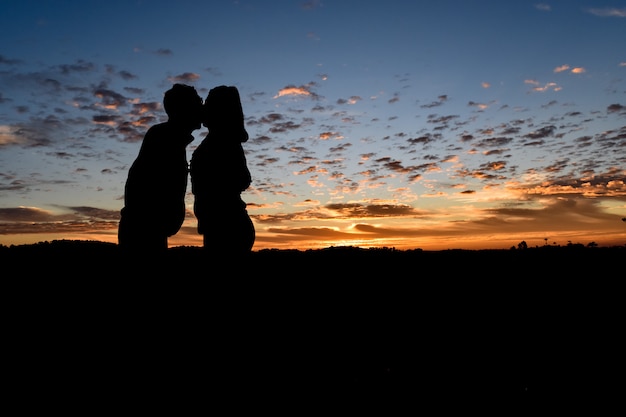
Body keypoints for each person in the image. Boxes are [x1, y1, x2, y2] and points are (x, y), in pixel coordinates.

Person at [118, 83, 203, 256]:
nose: (202, 109)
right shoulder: (165, 139)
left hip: (147, 231)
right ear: (184, 109)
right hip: (144, 234)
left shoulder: (169, 138)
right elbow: (143, 187)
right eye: (197, 103)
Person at [189, 85, 255, 255]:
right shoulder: (217, 140)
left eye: (208, 103)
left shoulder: (224, 141)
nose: (204, 107)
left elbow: (243, 178)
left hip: (228, 226)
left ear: (219, 109)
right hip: (219, 224)